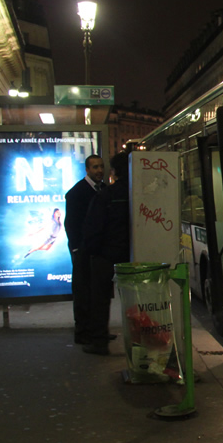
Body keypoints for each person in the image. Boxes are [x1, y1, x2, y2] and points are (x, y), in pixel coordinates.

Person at [80, 152, 131, 355]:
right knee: (135, 298)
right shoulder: (139, 193)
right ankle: (140, 340)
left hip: (106, 255)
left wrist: (91, 251)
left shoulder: (106, 195)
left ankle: (99, 341)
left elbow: (93, 228)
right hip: (131, 254)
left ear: (114, 171)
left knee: (99, 300)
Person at [65, 154, 106, 345]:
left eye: (101, 167)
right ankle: (82, 331)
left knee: (96, 292)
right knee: (82, 292)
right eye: (95, 167)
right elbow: (70, 224)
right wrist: (75, 249)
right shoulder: (76, 193)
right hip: (82, 250)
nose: (99, 171)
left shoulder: (104, 190)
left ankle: (95, 329)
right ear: (87, 170)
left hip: (98, 249)